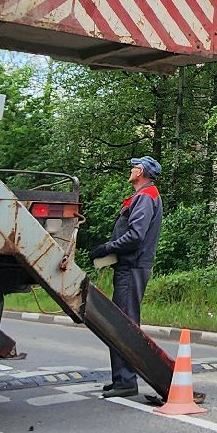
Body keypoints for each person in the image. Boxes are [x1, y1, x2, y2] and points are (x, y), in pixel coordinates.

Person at [88, 155, 163, 398]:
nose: (130, 170)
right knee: (123, 323)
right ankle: (121, 378)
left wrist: (107, 248)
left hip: (132, 268)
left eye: (134, 167)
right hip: (130, 267)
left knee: (125, 325)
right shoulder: (144, 196)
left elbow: (135, 236)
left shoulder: (145, 197)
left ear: (140, 171)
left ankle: (126, 381)